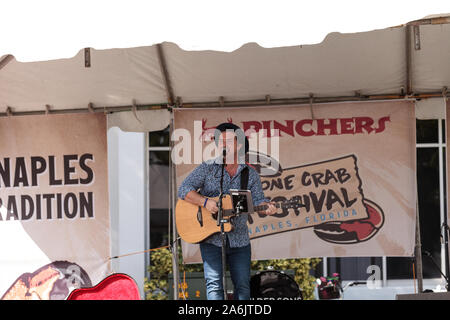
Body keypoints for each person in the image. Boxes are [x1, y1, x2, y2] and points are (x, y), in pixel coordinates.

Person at [178, 122, 277, 300]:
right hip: (211, 239)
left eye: (228, 140)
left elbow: (258, 201)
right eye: (220, 141)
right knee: (214, 285)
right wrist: (206, 202)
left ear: (239, 144)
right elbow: (183, 189)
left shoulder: (250, 174)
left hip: (239, 240)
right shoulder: (208, 167)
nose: (224, 144)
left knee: (243, 286)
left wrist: (266, 207)